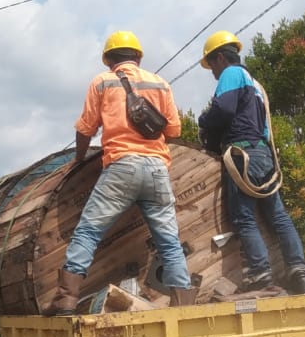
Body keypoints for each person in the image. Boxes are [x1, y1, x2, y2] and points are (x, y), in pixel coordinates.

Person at [47, 30, 194, 315]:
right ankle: (183, 306)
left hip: (121, 165)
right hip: (157, 169)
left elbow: (85, 129)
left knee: (88, 231)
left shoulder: (102, 82)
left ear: (109, 59)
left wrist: (78, 160)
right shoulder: (161, 83)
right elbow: (174, 130)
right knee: (169, 241)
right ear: (137, 56)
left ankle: (66, 298)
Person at [197, 30, 305, 295]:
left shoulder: (231, 74)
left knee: (244, 218)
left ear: (219, 58)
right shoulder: (256, 84)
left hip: (242, 154)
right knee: (278, 216)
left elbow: (224, 111)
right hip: (263, 154)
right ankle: (300, 273)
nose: (213, 73)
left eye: (211, 66)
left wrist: (204, 121)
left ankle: (261, 275)